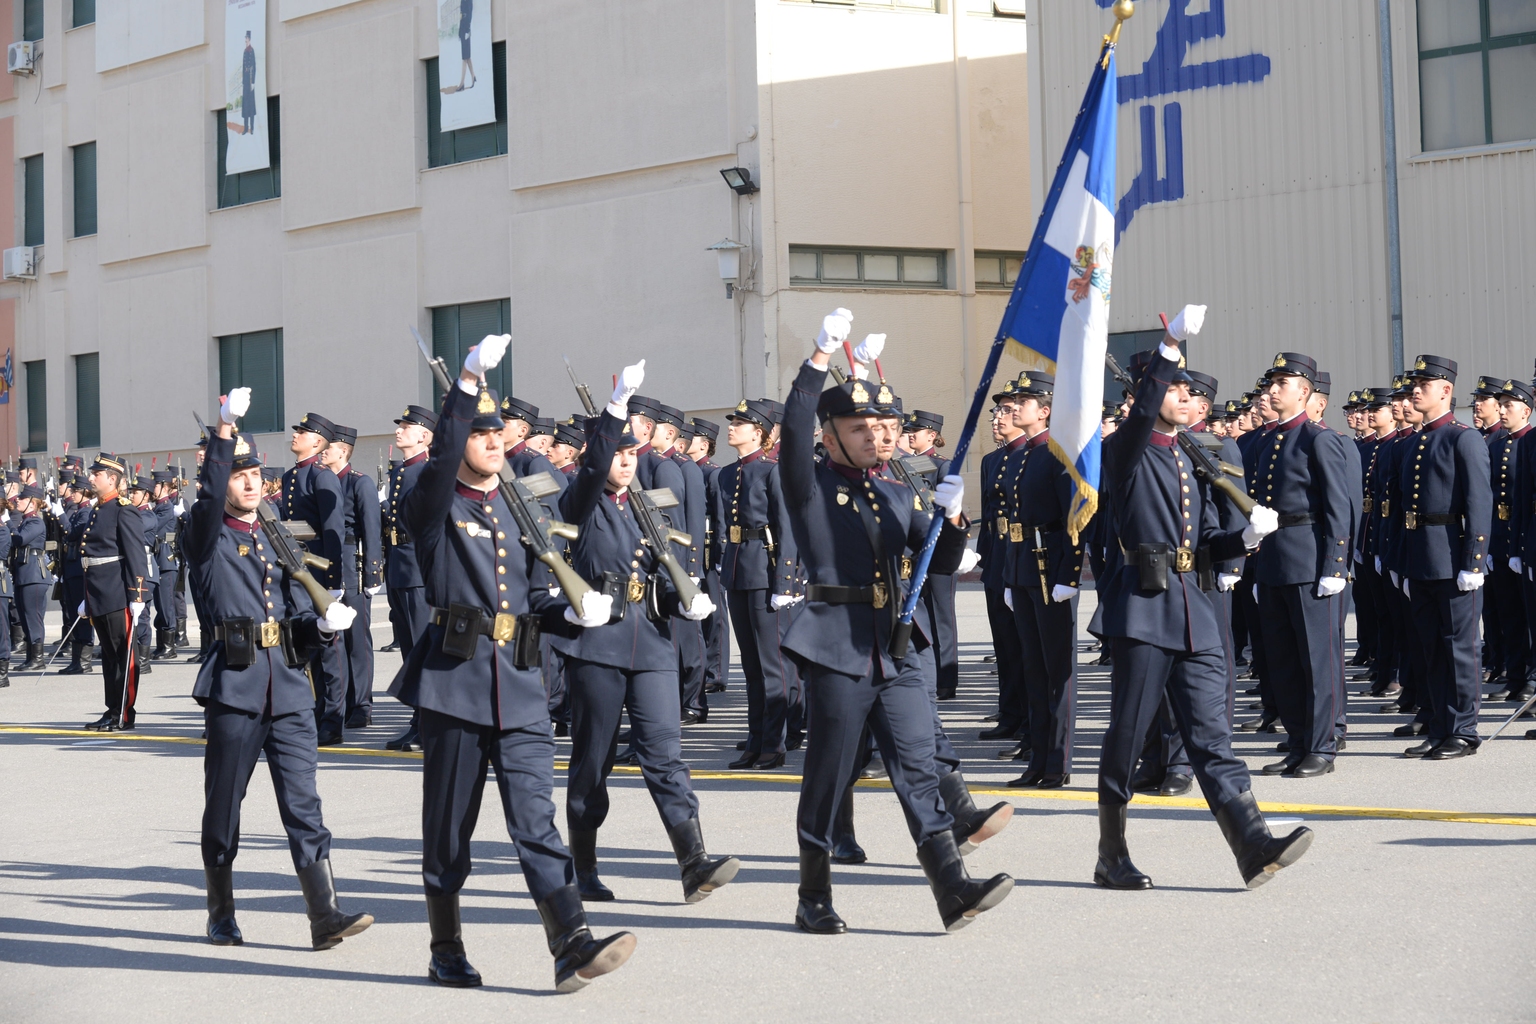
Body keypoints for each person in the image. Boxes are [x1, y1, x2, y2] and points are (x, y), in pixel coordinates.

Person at [390, 334, 636, 991]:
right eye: (480, 433)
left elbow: (581, 496)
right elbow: (441, 461)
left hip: (522, 685)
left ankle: (571, 942)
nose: (493, 441)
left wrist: (614, 412)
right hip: (454, 685)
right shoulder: (432, 505)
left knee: (536, 821)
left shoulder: (521, 506)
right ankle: (446, 946)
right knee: (448, 831)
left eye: (499, 433)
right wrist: (464, 386)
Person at [780, 308, 1012, 935]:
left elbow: (945, 560)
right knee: (828, 777)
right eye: (861, 428)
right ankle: (813, 893)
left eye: (886, 427)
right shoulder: (807, 483)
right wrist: (816, 361)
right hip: (836, 646)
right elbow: (795, 418)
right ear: (829, 435)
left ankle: (952, 888)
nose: (879, 437)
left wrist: (954, 519)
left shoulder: (894, 490)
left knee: (916, 764)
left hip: (899, 645)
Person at [1094, 305, 1312, 891]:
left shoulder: (1193, 452)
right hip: (1143, 605)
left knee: (1212, 735)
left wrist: (1243, 538)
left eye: (1191, 389)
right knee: (1128, 734)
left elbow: (1201, 539)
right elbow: (1141, 414)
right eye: (1176, 387)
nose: (1187, 396)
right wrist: (1166, 344)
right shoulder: (1128, 450)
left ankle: (1252, 843)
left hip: (1193, 606)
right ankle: (1110, 852)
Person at [191, 388, 372, 951]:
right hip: (236, 688)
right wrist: (225, 430)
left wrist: (319, 629)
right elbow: (206, 503)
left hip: (289, 689)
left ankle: (325, 916)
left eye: (255, 475)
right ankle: (221, 911)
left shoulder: (275, 539)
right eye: (238, 475)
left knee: (304, 804)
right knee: (224, 808)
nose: (249, 483)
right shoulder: (205, 535)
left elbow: (291, 614)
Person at [552, 363, 738, 906]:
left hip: (651, 644)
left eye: (634, 454)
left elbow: (663, 565)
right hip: (598, 648)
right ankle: (582, 867)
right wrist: (615, 407)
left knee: (665, 753)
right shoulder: (579, 502)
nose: (627, 463)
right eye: (617, 453)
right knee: (593, 761)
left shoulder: (645, 507)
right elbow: (589, 478)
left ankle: (693, 861)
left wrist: (686, 594)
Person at [1249, 353, 1351, 778]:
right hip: (1273, 561)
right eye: (1271, 383)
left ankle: (1321, 746)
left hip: (1310, 561)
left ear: (1304, 392)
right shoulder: (1269, 440)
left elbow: (1337, 506)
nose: (1272, 390)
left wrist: (1336, 564)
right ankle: (1296, 741)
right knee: (1283, 659)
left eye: (1282, 384)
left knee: (1317, 660)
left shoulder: (1317, 438)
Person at [1397, 355, 1490, 760]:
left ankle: (1464, 730)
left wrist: (1474, 560)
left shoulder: (1462, 437)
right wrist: (1403, 561)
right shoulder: (1417, 439)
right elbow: (1406, 508)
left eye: (1424, 384)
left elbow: (1478, 502)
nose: (1415, 390)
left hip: (1453, 556)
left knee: (1459, 648)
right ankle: (1439, 726)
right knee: (1431, 647)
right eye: (1414, 383)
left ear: (1446, 391)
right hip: (1422, 558)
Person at [715, 398, 801, 769]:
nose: (732, 427)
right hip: (738, 570)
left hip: (765, 574)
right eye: (733, 421)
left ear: (760, 432)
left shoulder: (773, 471)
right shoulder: (726, 473)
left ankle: (774, 743)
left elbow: (788, 529)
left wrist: (786, 583)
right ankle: (754, 739)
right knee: (751, 666)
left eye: (741, 422)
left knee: (773, 666)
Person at [282, 412, 347, 746]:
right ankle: (313, 709)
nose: (296, 435)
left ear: (317, 441)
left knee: (329, 651)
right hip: (297, 571)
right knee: (305, 642)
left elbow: (334, 529)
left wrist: (333, 579)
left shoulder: (322, 477)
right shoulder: (290, 476)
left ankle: (333, 718)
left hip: (320, 573)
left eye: (302, 432)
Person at [978, 376, 1032, 755]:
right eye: (998, 410)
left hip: (1022, 553)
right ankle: (1009, 713)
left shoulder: (1031, 454)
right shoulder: (992, 459)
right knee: (1004, 642)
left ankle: (1028, 717)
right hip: (998, 554)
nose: (999, 417)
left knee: (1024, 643)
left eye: (1007, 410)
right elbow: (987, 512)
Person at [79, 454, 151, 731]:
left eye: (96, 474)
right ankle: (112, 710)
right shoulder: (99, 508)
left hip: (118, 593)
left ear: (113, 479)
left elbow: (135, 555)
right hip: (99, 593)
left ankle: (124, 712)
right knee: (109, 657)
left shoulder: (124, 509)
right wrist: (87, 598)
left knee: (122, 656)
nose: (91, 477)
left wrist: (138, 595)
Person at [323, 425, 383, 730]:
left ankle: (361, 704)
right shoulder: (322, 482)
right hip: (326, 567)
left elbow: (372, 528)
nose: (323, 451)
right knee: (333, 638)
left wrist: (373, 572)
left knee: (357, 639)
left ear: (343, 450)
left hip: (352, 568)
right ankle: (339, 702)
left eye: (329, 447)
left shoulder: (359, 483)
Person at [384, 404, 436, 751]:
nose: (400, 430)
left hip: (418, 567)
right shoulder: (402, 471)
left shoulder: (428, 471)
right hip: (400, 564)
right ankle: (419, 718)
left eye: (407, 426)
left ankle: (429, 722)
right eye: (400, 425)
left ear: (424, 435)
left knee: (422, 648)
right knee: (409, 648)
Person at [1487, 379, 1532, 703]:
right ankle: (1514, 677)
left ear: (1525, 411)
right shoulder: (1496, 443)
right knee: (1509, 614)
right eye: (1499, 405)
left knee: (1529, 617)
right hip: (1503, 539)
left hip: (1523, 539)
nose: (1502, 411)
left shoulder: (1528, 441)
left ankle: (1529, 677)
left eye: (1508, 406)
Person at [689, 416, 731, 696]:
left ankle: (716, 671)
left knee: (714, 612)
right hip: (696, 549)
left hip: (710, 548)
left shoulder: (711, 473)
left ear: (704, 443)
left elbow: (720, 516)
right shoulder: (689, 470)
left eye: (691, 436)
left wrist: (720, 552)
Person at [10, 484, 52, 671]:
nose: (18, 500)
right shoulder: (25, 521)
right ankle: (30, 657)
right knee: (25, 617)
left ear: (32, 504)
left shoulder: (35, 522)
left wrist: (7, 522)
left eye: (23, 498)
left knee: (32, 617)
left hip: (34, 575)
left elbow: (20, 540)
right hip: (24, 575)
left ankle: (38, 659)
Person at [149, 471, 182, 660]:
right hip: (158, 559)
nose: (153, 488)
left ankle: (170, 647)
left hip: (165, 560)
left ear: (165, 487)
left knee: (166, 605)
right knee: (160, 605)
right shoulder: (157, 509)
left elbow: (153, 527)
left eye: (156, 485)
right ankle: (162, 645)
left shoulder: (166, 509)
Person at [240, 31, 257, 135]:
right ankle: (246, 128)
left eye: (246, 38)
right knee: (245, 104)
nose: (245, 39)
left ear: (249, 39)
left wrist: (253, 81)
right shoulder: (245, 51)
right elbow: (243, 65)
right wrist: (243, 81)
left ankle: (252, 127)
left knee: (251, 104)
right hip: (246, 80)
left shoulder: (252, 51)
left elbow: (254, 66)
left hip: (251, 79)